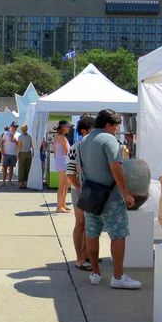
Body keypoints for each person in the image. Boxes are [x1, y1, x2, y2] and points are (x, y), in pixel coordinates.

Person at [78, 109, 141, 289]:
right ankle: (118, 276)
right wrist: (126, 193)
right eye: (115, 126)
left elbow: (80, 169)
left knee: (92, 233)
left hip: (90, 195)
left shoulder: (84, 140)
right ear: (108, 125)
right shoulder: (108, 139)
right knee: (118, 234)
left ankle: (95, 272)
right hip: (110, 197)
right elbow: (116, 168)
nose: (116, 130)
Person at [66, 116, 96, 271]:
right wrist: (81, 190)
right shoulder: (76, 147)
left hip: (93, 190)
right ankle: (79, 258)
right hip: (80, 191)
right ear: (84, 131)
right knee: (80, 223)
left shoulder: (96, 147)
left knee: (90, 224)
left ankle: (87, 254)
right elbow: (70, 173)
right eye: (93, 129)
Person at [53, 120, 73, 213]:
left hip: (60, 161)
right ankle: (59, 206)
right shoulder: (62, 138)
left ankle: (62, 204)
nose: (69, 128)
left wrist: (56, 162)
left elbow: (55, 151)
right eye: (67, 126)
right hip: (64, 162)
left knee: (65, 184)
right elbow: (67, 152)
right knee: (62, 185)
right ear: (62, 127)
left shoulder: (57, 137)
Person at [0, 121, 19, 186]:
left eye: (16, 127)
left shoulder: (18, 135)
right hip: (6, 153)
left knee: (11, 168)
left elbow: (19, 144)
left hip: (14, 153)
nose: (15, 128)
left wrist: (13, 139)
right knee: (4, 167)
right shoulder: (6, 133)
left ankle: (10, 181)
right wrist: (2, 150)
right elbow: (2, 142)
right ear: (11, 127)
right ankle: (3, 181)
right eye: (14, 126)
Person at [16, 124, 33, 189]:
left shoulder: (20, 137)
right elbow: (31, 145)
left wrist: (17, 154)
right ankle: (27, 181)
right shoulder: (29, 136)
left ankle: (23, 182)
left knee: (22, 168)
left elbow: (19, 146)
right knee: (28, 168)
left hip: (22, 153)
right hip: (28, 152)